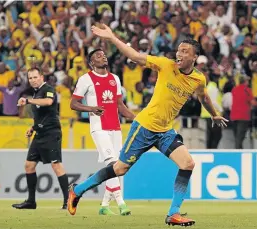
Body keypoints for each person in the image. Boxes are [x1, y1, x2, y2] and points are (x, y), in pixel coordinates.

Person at [67, 24, 228, 227]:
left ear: (194, 57)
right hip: (144, 127)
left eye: (185, 51)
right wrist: (112, 38)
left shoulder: (198, 78)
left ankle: (173, 214)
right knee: (119, 169)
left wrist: (214, 114)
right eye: (178, 50)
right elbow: (135, 56)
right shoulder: (165, 64)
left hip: (165, 131)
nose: (179, 54)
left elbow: (203, 96)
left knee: (187, 164)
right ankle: (77, 190)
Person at [70, 49, 135, 216]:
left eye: (104, 54)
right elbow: (74, 103)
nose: (103, 56)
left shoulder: (115, 78)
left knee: (119, 167)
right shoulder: (86, 79)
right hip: (98, 128)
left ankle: (105, 205)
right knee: (113, 164)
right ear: (92, 63)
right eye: (98, 56)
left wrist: (137, 118)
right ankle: (121, 203)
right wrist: (91, 109)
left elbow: (120, 106)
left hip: (116, 128)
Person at [12, 67, 69, 209]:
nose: (32, 80)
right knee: (29, 165)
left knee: (56, 165)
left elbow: (49, 102)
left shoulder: (48, 89)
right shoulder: (36, 93)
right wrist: (33, 128)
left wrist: (28, 101)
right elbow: (43, 115)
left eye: (35, 77)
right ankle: (31, 201)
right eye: (30, 78)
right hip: (40, 133)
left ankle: (68, 201)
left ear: (41, 77)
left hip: (51, 133)